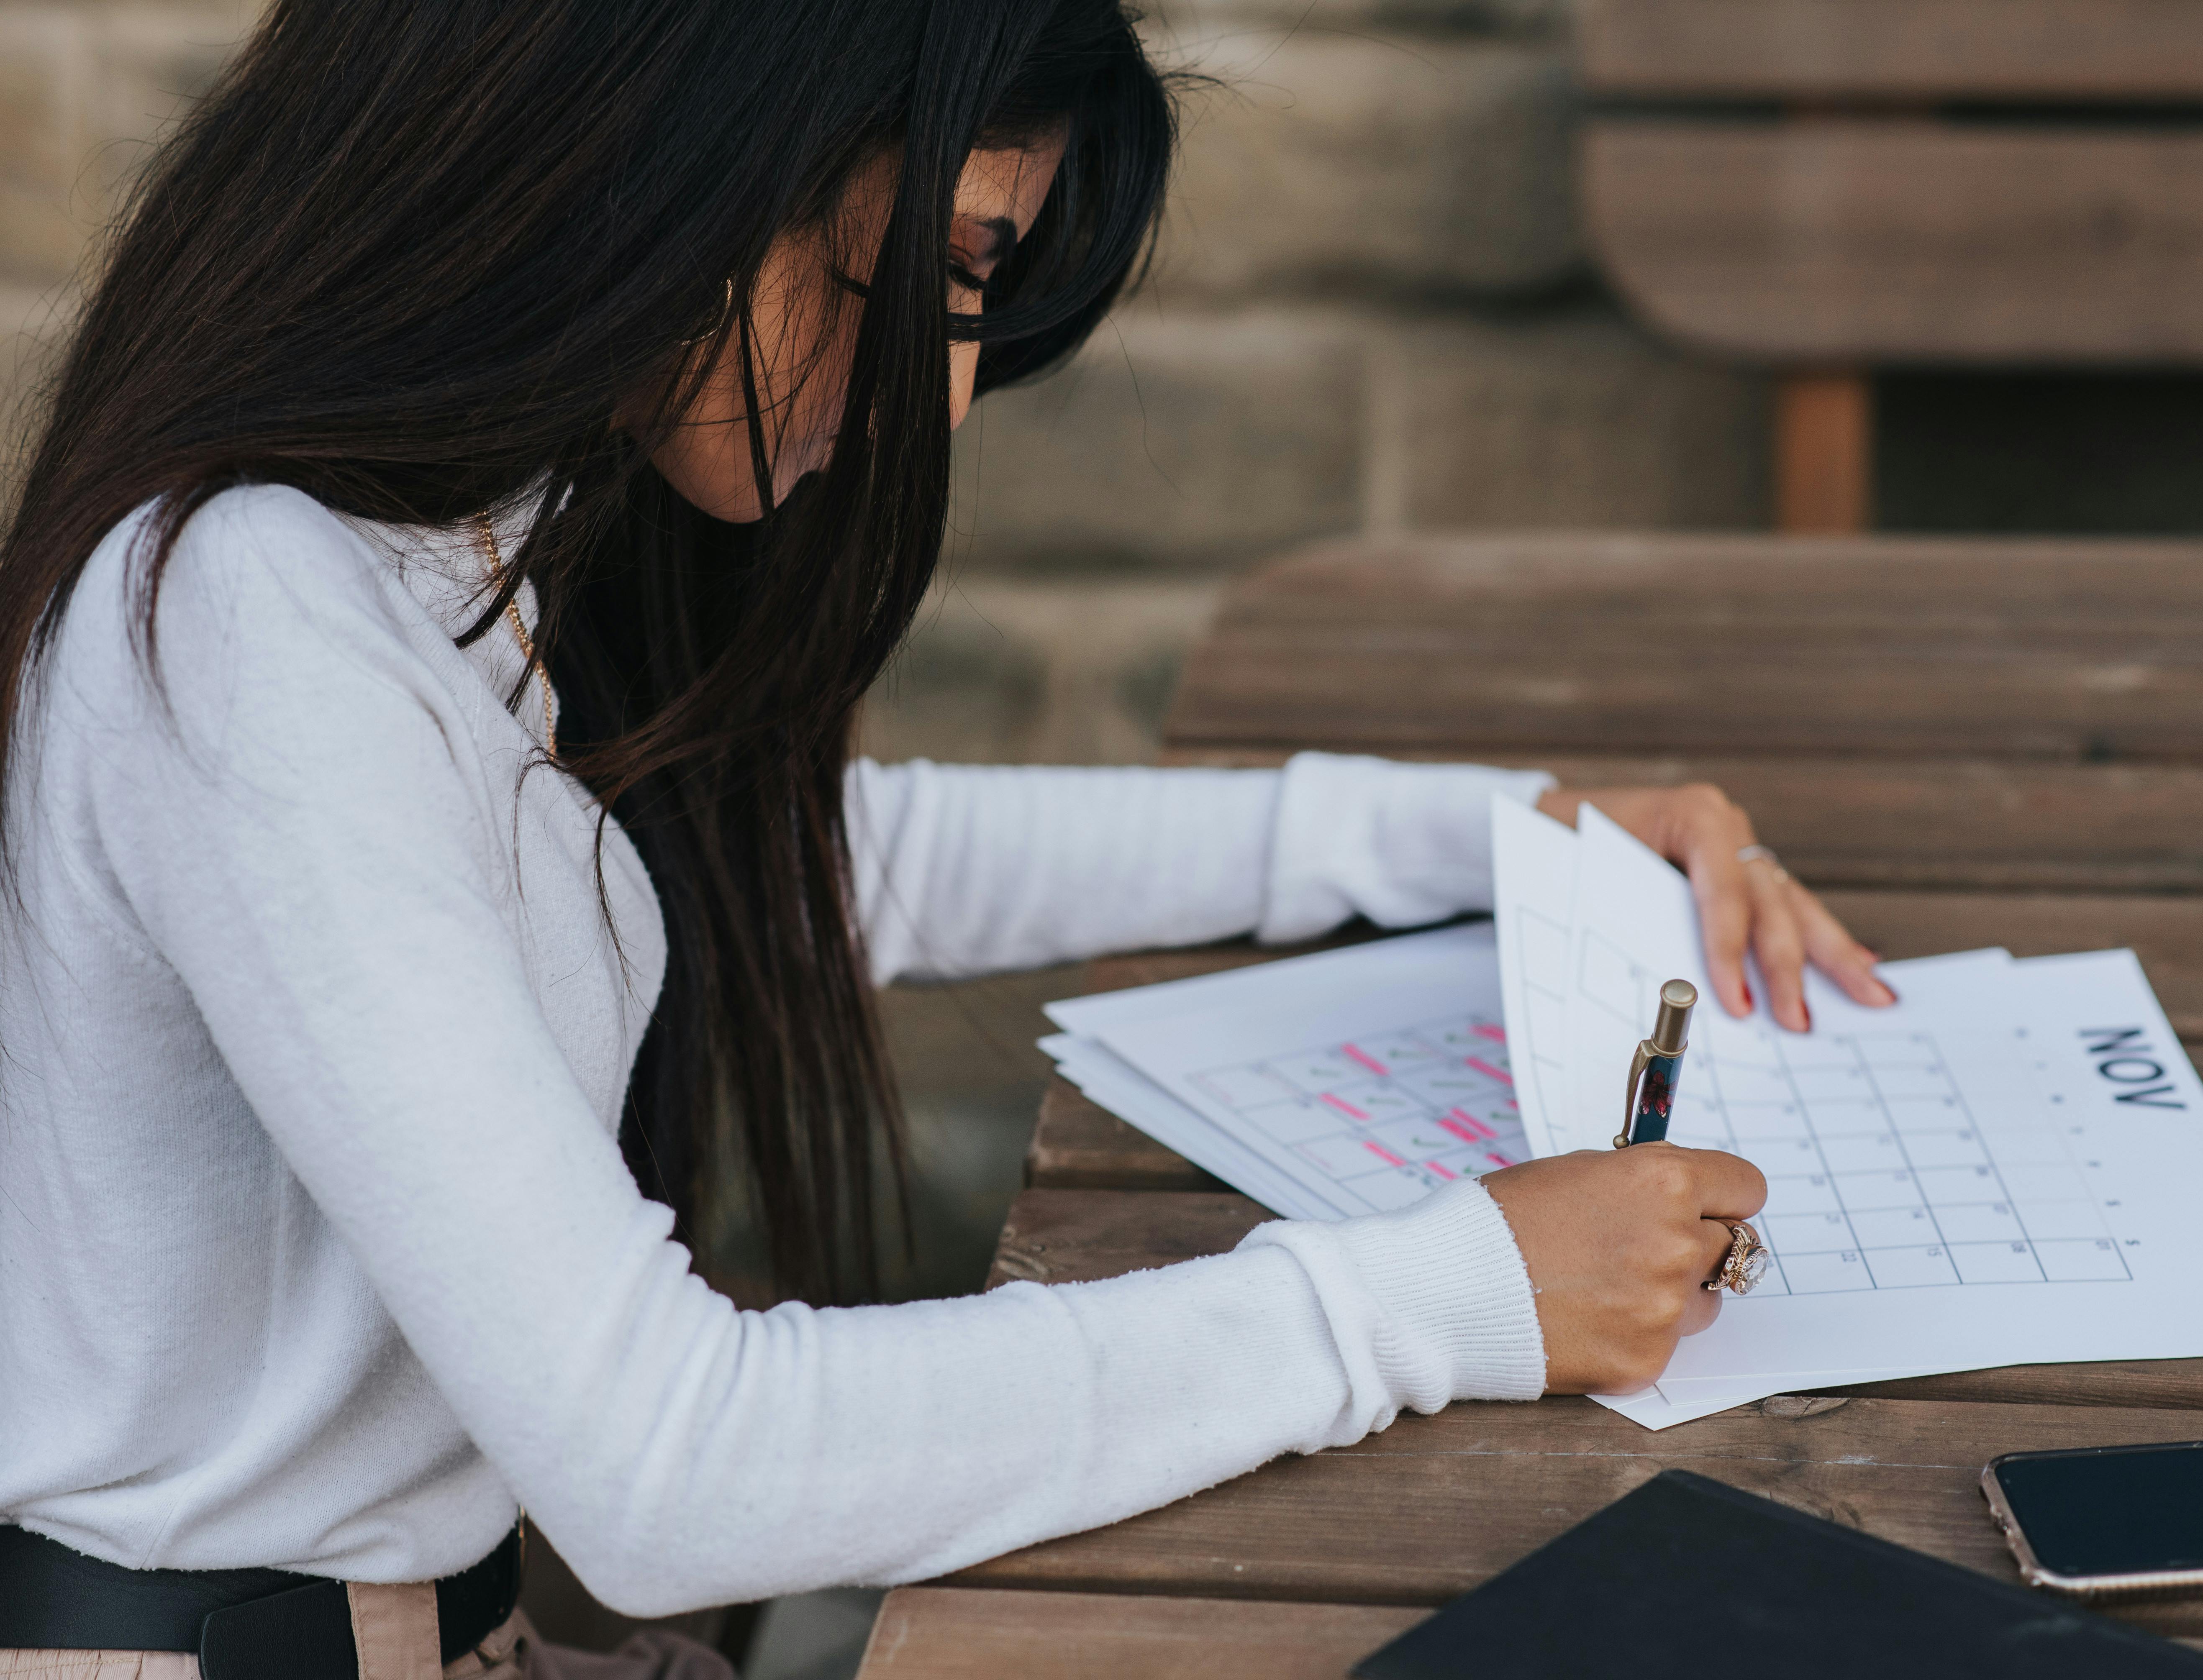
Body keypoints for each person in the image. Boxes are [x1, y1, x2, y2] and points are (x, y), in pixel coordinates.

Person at [0, 3, 1895, 1675]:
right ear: (686, 145)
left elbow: (791, 861)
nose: (952, 382)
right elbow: (677, 1461)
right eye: (943, 269)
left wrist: (1475, 835)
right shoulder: (249, 617)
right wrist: (1449, 1294)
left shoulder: (461, 536)